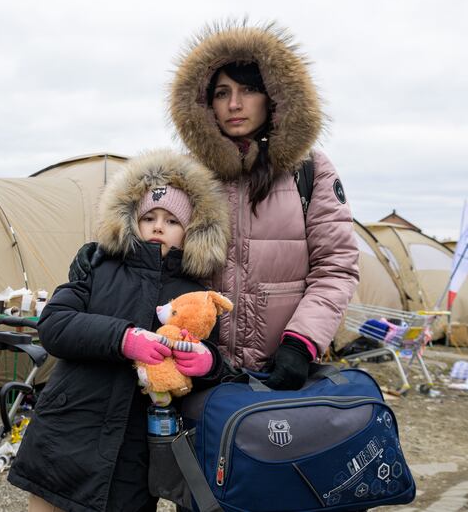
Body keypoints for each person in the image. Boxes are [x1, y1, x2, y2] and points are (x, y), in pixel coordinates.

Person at [71, 21, 360, 390]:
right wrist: (105, 253)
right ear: (206, 103)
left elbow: (336, 267)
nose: (234, 104)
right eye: (222, 92)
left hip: (282, 370)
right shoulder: (185, 173)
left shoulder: (310, 171)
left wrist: (301, 343)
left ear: (274, 95)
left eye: (249, 89)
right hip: (196, 368)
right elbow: (154, 238)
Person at [7, 148, 230, 512]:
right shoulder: (99, 267)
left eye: (172, 220)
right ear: (131, 222)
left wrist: (208, 365)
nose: (159, 226)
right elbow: (54, 325)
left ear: (192, 232)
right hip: (68, 431)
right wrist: (125, 338)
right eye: (150, 217)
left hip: (134, 453)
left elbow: (210, 363)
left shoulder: (196, 294)